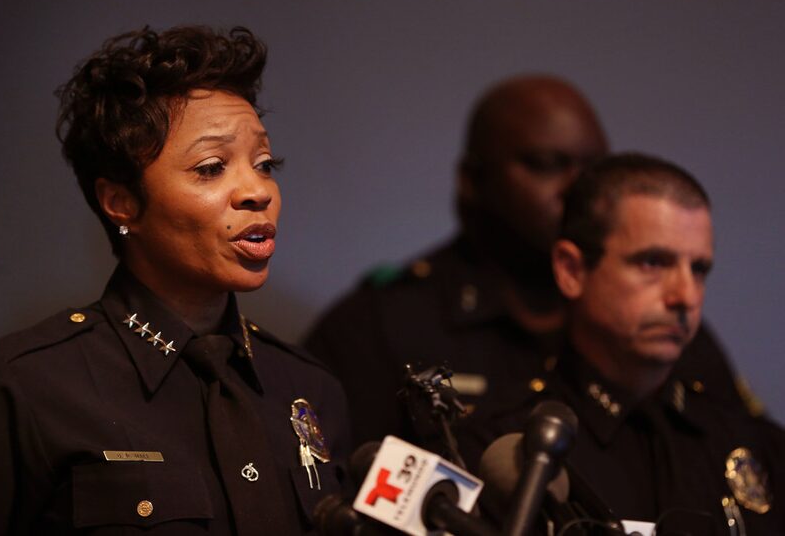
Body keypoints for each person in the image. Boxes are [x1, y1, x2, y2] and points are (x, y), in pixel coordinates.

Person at [0, 26, 350, 535]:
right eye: (211, 167)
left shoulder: (310, 387)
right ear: (121, 203)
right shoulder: (22, 388)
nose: (257, 191)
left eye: (265, 164)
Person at [303, 75, 748, 454]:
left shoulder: (661, 326)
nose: (579, 190)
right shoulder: (381, 326)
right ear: (473, 180)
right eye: (546, 165)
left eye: (594, 169)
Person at [461, 154, 784, 534]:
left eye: (698, 269)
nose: (685, 295)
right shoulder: (502, 449)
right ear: (571, 270)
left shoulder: (755, 446)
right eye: (652, 262)